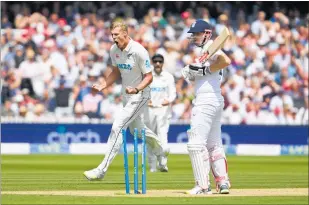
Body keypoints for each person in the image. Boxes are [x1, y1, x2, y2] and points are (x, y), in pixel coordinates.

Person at [83, 19, 168, 180]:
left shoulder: (139, 51)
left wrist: (137, 89)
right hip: (126, 94)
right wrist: (103, 85)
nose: (114, 38)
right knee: (137, 130)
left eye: (116, 35)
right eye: (112, 35)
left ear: (125, 34)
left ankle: (101, 170)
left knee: (118, 126)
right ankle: (160, 150)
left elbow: (149, 77)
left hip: (141, 94)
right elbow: (116, 72)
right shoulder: (114, 49)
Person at [181, 19, 232, 195]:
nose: (194, 37)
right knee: (214, 144)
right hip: (215, 99)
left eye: (197, 33)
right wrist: (191, 72)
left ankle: (203, 186)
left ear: (207, 34)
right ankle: (223, 182)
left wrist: (204, 70)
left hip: (206, 101)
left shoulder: (211, 47)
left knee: (196, 144)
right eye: (193, 34)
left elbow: (226, 60)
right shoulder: (204, 51)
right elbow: (204, 73)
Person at [144, 54, 176, 172]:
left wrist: (169, 100)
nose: (158, 64)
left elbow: (172, 93)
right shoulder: (147, 76)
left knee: (162, 137)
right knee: (151, 139)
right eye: (155, 61)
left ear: (163, 63)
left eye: (160, 62)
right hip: (149, 110)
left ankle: (162, 163)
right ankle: (152, 166)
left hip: (163, 111)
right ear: (152, 63)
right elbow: (142, 91)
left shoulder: (168, 77)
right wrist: (147, 100)